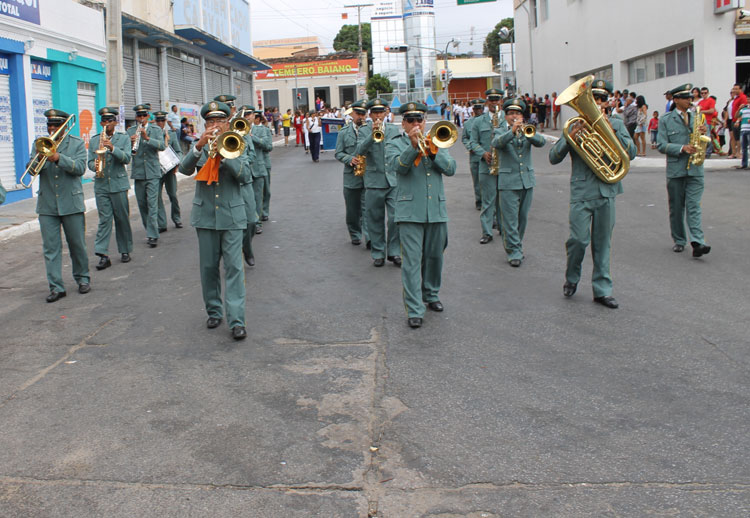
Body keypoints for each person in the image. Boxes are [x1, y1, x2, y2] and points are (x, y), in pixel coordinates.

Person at [549, 79, 636, 309]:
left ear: (607, 103)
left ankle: (602, 290)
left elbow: (632, 152)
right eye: (594, 98)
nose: (597, 103)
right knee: (577, 240)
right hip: (582, 191)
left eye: (601, 99)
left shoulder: (616, 123)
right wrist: (570, 138)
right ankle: (572, 277)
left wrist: (612, 132)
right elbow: (553, 157)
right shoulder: (575, 123)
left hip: (606, 191)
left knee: (602, 243)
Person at [178, 101, 251, 340]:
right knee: (208, 268)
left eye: (219, 121)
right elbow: (184, 170)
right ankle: (213, 310)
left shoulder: (239, 142)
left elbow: (245, 176)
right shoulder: (199, 145)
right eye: (210, 122)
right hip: (206, 216)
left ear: (228, 123)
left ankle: (237, 320)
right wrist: (198, 147)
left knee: (234, 269)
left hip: (232, 216)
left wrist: (226, 153)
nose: (215, 125)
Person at [386, 102, 456, 328]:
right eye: (412, 120)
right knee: (412, 262)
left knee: (435, 257)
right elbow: (398, 167)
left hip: (436, 209)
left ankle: (431, 294)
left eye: (420, 120)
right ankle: (415, 308)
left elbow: (451, 169)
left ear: (425, 122)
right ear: (403, 123)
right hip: (409, 212)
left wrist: (433, 151)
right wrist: (414, 146)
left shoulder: (437, 140)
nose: (417, 124)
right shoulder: (395, 144)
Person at [33, 109, 90, 302]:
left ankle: (83, 278)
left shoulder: (77, 143)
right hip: (47, 204)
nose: (52, 128)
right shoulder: (39, 143)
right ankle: (56, 287)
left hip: (71, 202)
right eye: (49, 125)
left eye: (56, 125)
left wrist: (59, 158)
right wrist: (37, 160)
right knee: (51, 248)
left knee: (77, 245)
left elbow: (81, 168)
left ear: (64, 126)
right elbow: (32, 171)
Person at [656, 83, 711, 258]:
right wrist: (682, 148)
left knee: (694, 206)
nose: (690, 100)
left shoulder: (697, 116)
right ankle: (679, 240)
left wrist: (704, 130)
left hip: (695, 167)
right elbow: (661, 145)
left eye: (691, 98)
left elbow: (706, 137)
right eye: (686, 98)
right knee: (677, 207)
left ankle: (697, 241)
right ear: (676, 99)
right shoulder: (665, 119)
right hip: (676, 169)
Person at [491, 97, 546, 267]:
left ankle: (516, 244)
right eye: (510, 114)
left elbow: (541, 142)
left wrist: (528, 133)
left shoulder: (528, 129)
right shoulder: (500, 131)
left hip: (526, 181)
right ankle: (514, 250)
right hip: (508, 182)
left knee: (522, 218)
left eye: (517, 113)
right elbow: (496, 143)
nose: (514, 116)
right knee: (510, 220)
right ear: (505, 116)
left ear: (522, 116)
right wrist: (512, 131)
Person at [356, 98, 401, 267]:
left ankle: (394, 252)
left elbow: (398, 150)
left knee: (396, 218)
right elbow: (359, 151)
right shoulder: (363, 130)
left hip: (393, 180)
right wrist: (371, 136)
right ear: (369, 114)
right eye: (374, 113)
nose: (378, 116)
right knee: (375, 219)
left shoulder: (393, 129)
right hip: (374, 181)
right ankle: (378, 252)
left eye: (381, 112)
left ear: (386, 113)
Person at [88, 106, 133, 271]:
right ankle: (102, 254)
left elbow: (127, 158)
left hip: (119, 185)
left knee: (122, 219)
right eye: (104, 121)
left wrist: (112, 148)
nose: (107, 123)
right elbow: (89, 162)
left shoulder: (123, 138)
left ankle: (125, 250)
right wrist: (96, 166)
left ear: (115, 122)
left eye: (110, 120)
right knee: (104, 219)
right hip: (101, 185)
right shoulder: (94, 140)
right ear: (101, 122)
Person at [468, 88, 505, 244]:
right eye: (491, 100)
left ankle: (504, 229)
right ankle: (487, 232)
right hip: (486, 165)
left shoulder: (508, 119)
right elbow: (472, 142)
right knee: (487, 201)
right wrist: (482, 153)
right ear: (487, 102)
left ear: (501, 101)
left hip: (505, 166)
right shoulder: (478, 121)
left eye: (497, 99)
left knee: (504, 202)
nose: (494, 102)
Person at [128, 104, 165, 248]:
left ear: (148, 116)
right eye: (139, 116)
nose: (142, 118)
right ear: (136, 117)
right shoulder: (130, 130)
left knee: (152, 204)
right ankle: (149, 229)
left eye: (144, 115)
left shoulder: (156, 129)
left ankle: (152, 235)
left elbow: (162, 146)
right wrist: (130, 143)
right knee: (142, 204)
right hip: (138, 173)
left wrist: (147, 138)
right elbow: (128, 152)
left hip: (153, 173)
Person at [335, 99, 368, 246]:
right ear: (352, 113)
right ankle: (355, 233)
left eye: (363, 113)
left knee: (368, 209)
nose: (360, 116)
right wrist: (349, 159)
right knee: (353, 210)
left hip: (369, 176)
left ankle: (370, 237)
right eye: (358, 113)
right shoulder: (344, 132)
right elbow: (338, 153)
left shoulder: (372, 130)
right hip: (351, 176)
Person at [153, 111, 183, 231]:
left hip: (170, 170)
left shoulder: (171, 134)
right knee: (157, 197)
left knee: (173, 195)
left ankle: (177, 218)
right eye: (158, 120)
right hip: (156, 170)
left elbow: (179, 151)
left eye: (162, 120)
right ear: (155, 121)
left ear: (165, 121)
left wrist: (177, 163)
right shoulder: (152, 134)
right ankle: (162, 223)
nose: (160, 123)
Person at [237, 105, 259, 266]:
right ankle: (234, 252)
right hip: (227, 182)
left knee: (251, 221)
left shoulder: (244, 133)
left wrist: (241, 163)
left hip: (245, 181)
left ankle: (247, 247)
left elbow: (252, 155)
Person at [250, 108, 273, 234]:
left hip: (262, 163)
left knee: (265, 192)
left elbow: (268, 146)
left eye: (250, 115)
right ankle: (253, 219)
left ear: (256, 118)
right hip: (248, 165)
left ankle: (263, 213)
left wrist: (253, 137)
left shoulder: (263, 130)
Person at [461, 99, 485, 211]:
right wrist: (469, 146)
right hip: (475, 156)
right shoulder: (468, 123)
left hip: (487, 155)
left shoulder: (488, 121)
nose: (478, 110)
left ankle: (489, 199)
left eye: (480, 108)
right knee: (477, 180)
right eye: (476, 108)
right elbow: (464, 138)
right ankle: (479, 200)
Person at [735, 101, 750, 169]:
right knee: (744, 148)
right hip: (743, 129)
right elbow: (736, 116)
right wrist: (739, 109)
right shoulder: (743, 109)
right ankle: (744, 164)